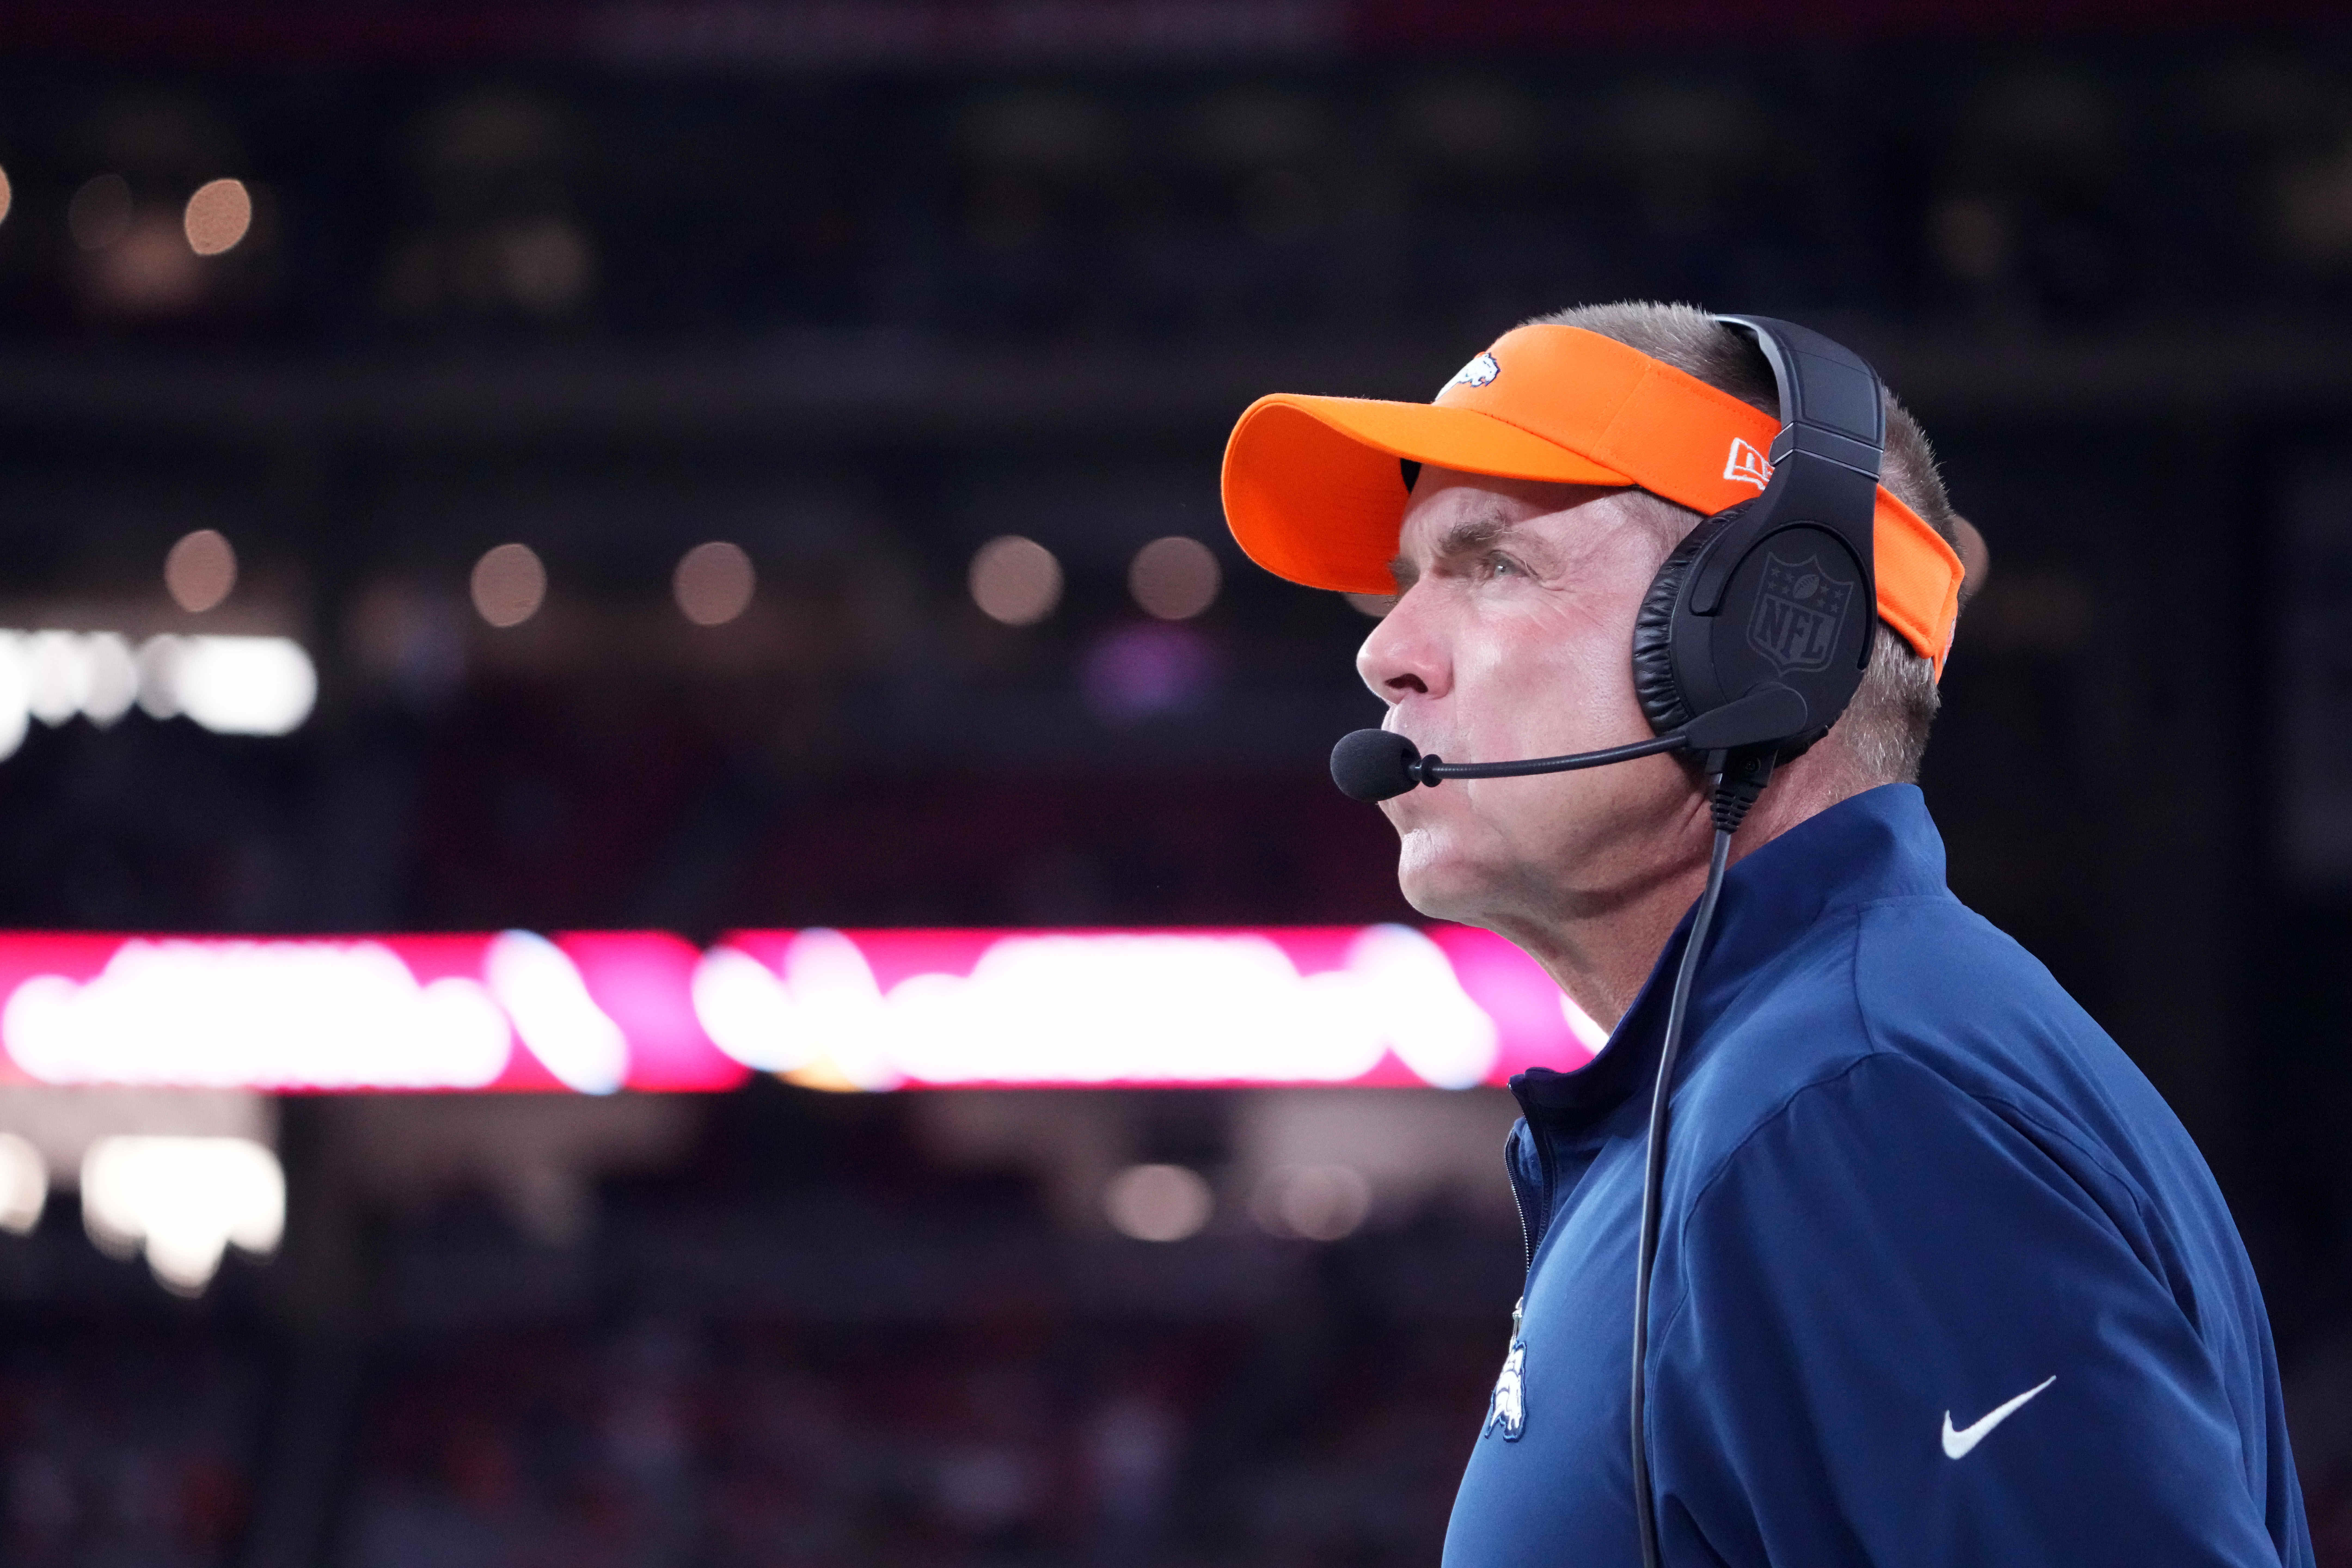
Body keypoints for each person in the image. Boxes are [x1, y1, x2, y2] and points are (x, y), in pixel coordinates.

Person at [1219, 302, 2312, 1567]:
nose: (1387, 652)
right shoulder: (1779, 1087)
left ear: (1768, 628)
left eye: (1495, 566)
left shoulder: (1858, 1111)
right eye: (1409, 583)